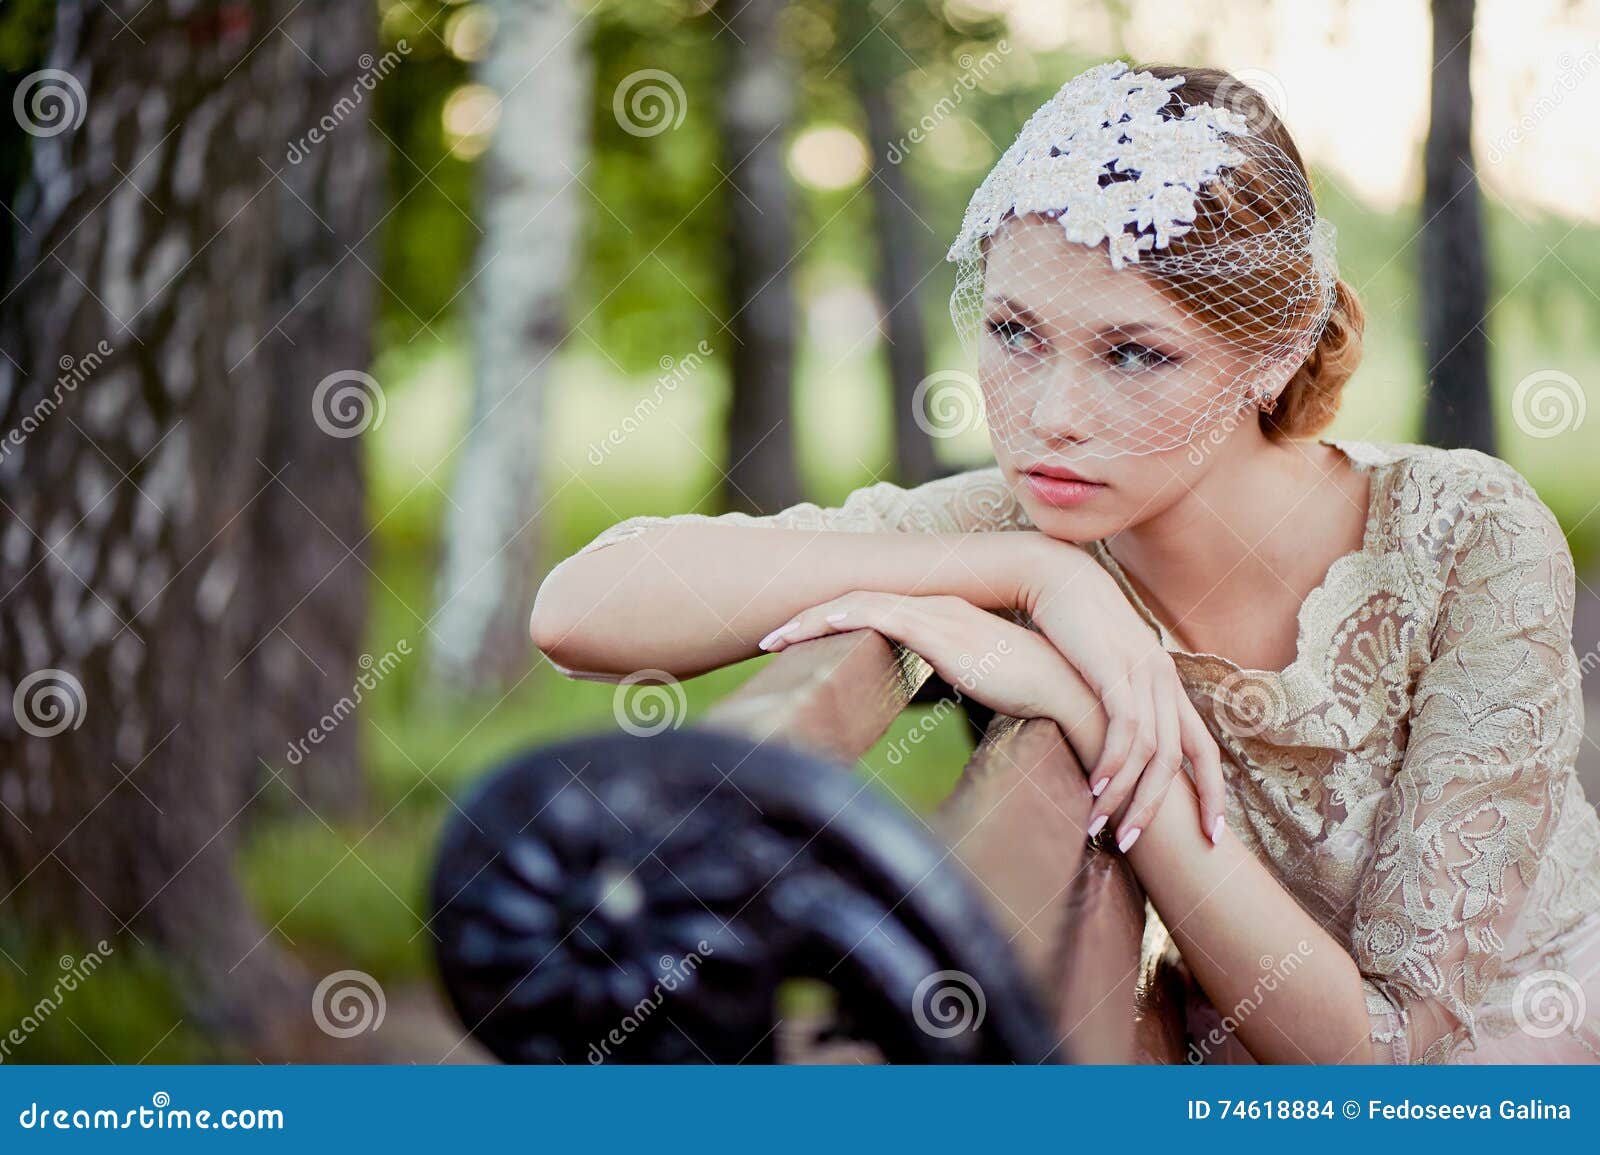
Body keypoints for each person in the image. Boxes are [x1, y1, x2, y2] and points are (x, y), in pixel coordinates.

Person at [530, 61, 1600, 1063]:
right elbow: (579, 610)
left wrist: (1085, 711)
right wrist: (1041, 575)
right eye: (1012, 331)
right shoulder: (1032, 522)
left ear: (1274, 351)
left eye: (1134, 353)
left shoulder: (1464, 532)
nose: (1049, 418)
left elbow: (1390, 1066)